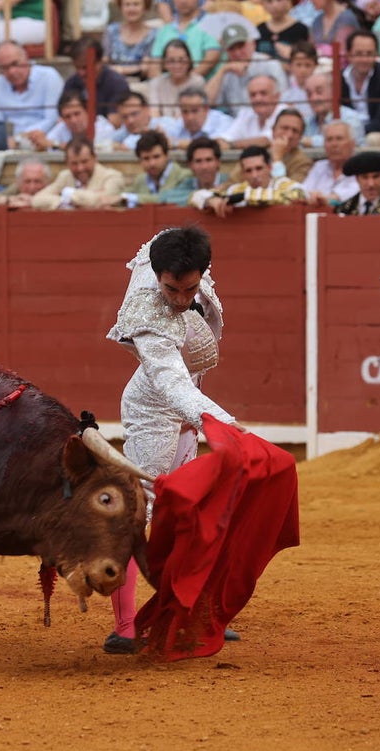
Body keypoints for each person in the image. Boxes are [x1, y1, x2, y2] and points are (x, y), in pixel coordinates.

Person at [102, 224, 242, 653]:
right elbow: (172, 387)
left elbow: (173, 238)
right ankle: (125, 627)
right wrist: (228, 428)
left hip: (188, 406)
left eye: (189, 290)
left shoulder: (174, 258)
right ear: (156, 277)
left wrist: (204, 420)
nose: (181, 300)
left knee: (193, 510)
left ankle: (195, 613)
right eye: (171, 290)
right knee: (139, 513)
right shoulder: (148, 315)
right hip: (153, 410)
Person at [191, 144, 305, 215]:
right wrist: (211, 200)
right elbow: (195, 196)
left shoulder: (283, 184)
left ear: (270, 168)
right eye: (248, 171)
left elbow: (298, 195)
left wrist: (243, 197)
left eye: (259, 168)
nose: (254, 175)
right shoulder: (237, 189)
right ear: (242, 173)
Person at [0, 40, 64, 144]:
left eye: (15, 64)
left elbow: (52, 119)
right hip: (10, 144)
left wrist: (20, 138)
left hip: (44, 141)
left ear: (26, 58)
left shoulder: (49, 77)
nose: (12, 71)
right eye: (5, 67)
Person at [205, 23, 287, 115]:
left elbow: (283, 99)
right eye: (232, 49)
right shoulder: (226, 71)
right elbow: (207, 102)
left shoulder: (270, 64)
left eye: (241, 46)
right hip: (237, 122)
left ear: (252, 44)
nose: (237, 52)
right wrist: (223, 70)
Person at [31, 136, 126, 210]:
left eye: (84, 162)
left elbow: (101, 201)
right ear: (67, 162)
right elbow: (37, 199)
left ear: (95, 158)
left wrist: (67, 193)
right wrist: (62, 201)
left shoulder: (112, 177)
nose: (80, 168)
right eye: (74, 163)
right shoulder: (65, 176)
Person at [340, 30, 380, 142]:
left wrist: (354, 132)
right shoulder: (339, 78)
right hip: (345, 134)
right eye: (359, 54)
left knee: (372, 139)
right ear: (348, 55)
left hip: (375, 134)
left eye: (369, 54)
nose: (364, 59)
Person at [147, 0, 221, 79]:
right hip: (167, 86)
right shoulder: (165, 30)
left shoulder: (211, 24)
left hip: (201, 86)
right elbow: (154, 65)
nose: (183, 1)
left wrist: (185, 82)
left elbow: (211, 58)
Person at [62, 38, 131, 120]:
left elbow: (114, 121)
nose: (81, 73)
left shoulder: (117, 84)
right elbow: (63, 116)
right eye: (77, 67)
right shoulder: (71, 82)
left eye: (85, 68)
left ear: (100, 62)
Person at [123, 129, 193, 206]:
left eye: (156, 157)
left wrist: (127, 197)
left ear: (166, 156)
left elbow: (167, 199)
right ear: (140, 161)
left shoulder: (184, 176)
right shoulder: (140, 180)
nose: (152, 163)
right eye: (146, 158)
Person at [37, 88, 117, 151]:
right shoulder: (62, 127)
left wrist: (56, 145)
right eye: (67, 116)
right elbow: (45, 143)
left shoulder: (105, 128)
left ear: (88, 112)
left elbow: (89, 150)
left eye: (77, 114)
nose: (73, 120)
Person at [302, 119, 359, 204]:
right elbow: (304, 193)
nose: (334, 144)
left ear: (352, 143)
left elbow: (344, 197)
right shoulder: (319, 167)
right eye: (329, 139)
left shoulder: (361, 169)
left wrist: (322, 199)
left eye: (339, 139)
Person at [302, 71, 365, 147]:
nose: (314, 98)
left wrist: (308, 141)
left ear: (333, 92)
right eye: (309, 94)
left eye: (319, 92)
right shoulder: (307, 121)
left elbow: (342, 144)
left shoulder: (350, 117)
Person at [222, 73, 285, 148]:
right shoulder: (246, 113)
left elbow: (266, 141)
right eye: (253, 95)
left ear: (277, 96)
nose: (257, 99)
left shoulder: (286, 114)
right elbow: (226, 138)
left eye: (263, 93)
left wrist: (231, 145)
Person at [160, 135, 229, 204]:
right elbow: (165, 197)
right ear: (190, 165)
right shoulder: (188, 183)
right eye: (198, 161)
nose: (204, 167)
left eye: (209, 160)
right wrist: (204, 198)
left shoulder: (229, 181)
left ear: (218, 162)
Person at [147, 39, 205, 119]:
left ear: (189, 61)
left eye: (182, 60)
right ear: (165, 63)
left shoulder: (197, 82)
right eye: (171, 61)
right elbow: (154, 114)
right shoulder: (156, 83)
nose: (177, 66)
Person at [160, 85, 232, 148]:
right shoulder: (179, 123)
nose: (189, 117)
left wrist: (177, 143)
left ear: (206, 109)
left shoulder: (223, 122)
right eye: (185, 112)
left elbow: (220, 145)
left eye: (194, 111)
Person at [103, 0, 156, 81]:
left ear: (145, 7)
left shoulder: (153, 35)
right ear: (121, 8)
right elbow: (104, 63)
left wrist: (119, 70)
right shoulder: (111, 31)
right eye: (127, 5)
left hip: (141, 85)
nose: (131, 9)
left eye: (136, 4)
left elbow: (145, 68)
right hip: (112, 83)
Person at [267, 107, 311, 182]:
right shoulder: (259, 153)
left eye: (295, 131)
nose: (289, 135)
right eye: (285, 128)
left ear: (300, 137)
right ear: (273, 130)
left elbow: (289, 191)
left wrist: (277, 159)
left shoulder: (303, 163)